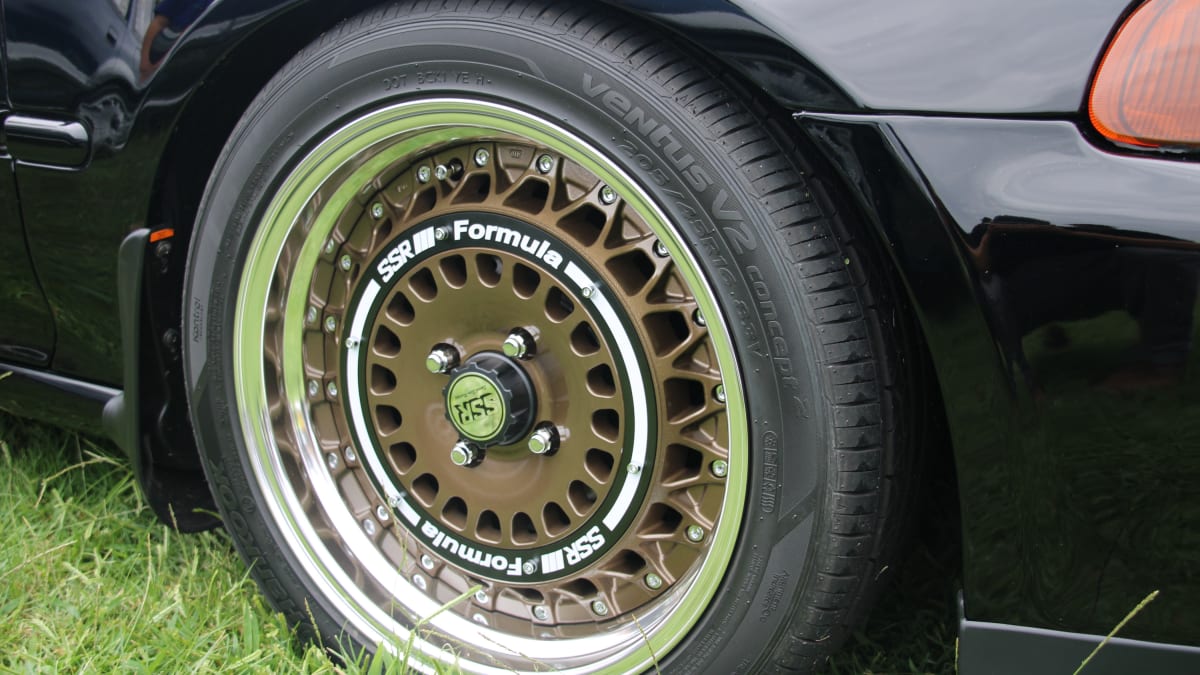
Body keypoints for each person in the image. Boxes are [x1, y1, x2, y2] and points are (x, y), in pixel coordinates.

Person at [140, 0, 214, 77]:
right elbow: (159, 22)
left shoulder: (219, 7)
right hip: (155, 58)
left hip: (186, 67)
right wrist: (145, 61)